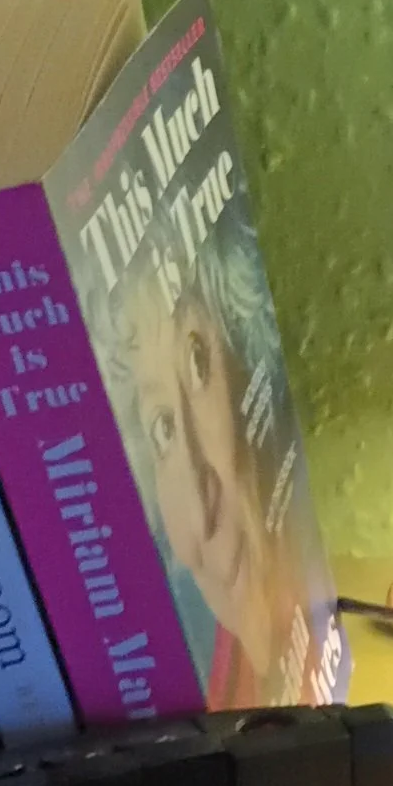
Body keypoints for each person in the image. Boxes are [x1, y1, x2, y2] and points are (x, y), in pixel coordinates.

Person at [112, 198, 323, 706]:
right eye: (162, 428)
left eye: (198, 362)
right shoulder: (210, 701)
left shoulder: (313, 598)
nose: (199, 502)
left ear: (250, 355)